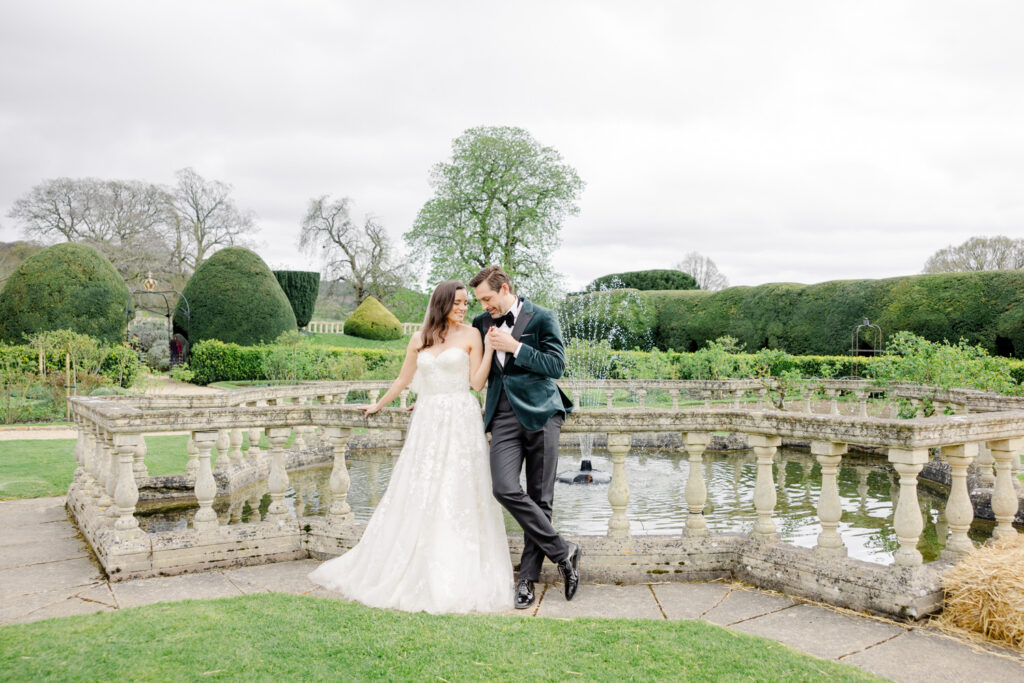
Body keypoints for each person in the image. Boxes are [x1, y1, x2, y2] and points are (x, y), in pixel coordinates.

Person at [308, 281, 513, 613]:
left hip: (460, 418)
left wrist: (489, 349)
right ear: (442, 304)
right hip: (428, 419)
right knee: (420, 487)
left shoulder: (473, 335)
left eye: (466, 303)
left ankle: (455, 566)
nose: (463, 309)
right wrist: (378, 405)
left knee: (458, 488)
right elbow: (404, 380)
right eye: (458, 303)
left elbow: (476, 384)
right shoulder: (419, 339)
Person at [469, 266, 579, 610]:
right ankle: (564, 551)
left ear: (505, 288)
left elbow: (556, 366)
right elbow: (471, 369)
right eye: (480, 300)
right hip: (502, 416)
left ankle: (526, 580)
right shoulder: (480, 323)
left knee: (540, 497)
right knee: (503, 487)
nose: (484, 305)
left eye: (487, 298)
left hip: (542, 414)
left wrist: (516, 347)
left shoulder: (543, 317)